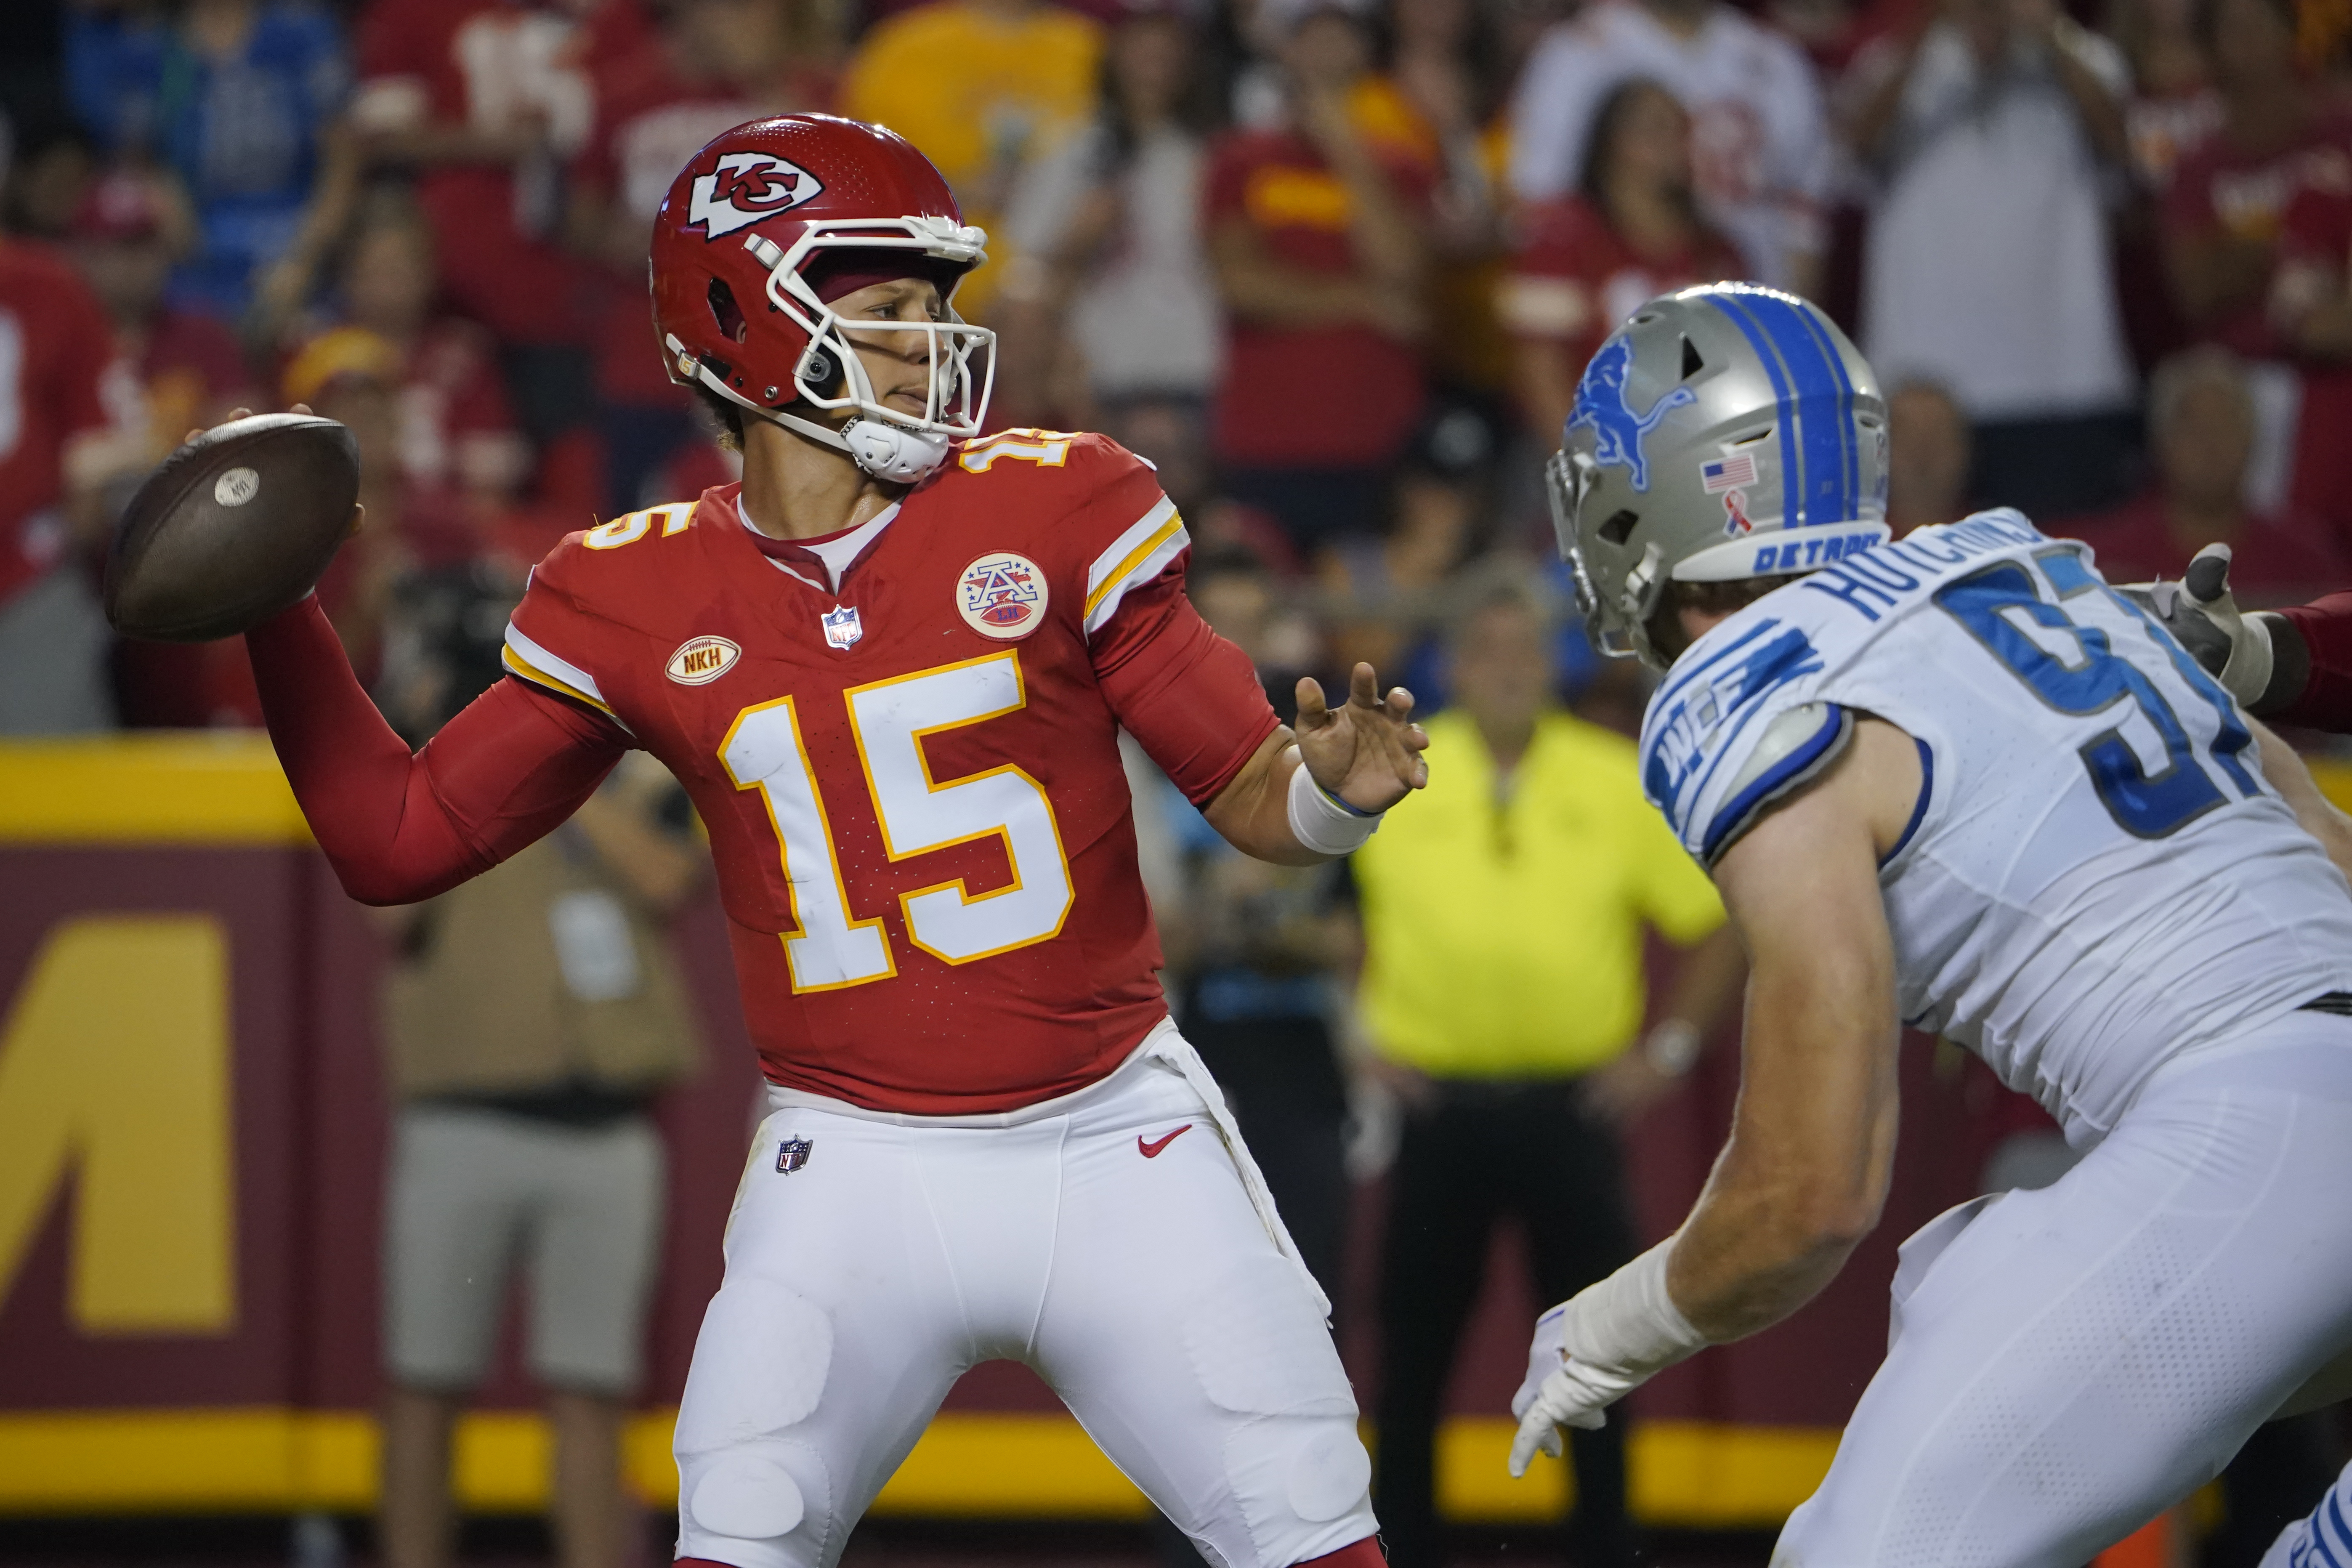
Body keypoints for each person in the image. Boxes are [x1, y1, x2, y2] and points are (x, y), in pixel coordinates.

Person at [218, 114, 1425, 1568]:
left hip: (1115, 1130)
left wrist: (1332, 795)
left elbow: (1245, 792)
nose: (932, 345)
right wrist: (276, 608)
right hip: (849, 1160)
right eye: (890, 309)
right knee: (740, 1533)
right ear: (736, 322)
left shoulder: (1061, 498)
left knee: (1311, 1532)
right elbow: (395, 837)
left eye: (935, 308)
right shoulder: (631, 590)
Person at [1512, 280, 2352, 1565]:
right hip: (2291, 1118)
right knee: (1954, 1286)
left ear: (1671, 493)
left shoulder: (1752, 688)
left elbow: (1812, 1192)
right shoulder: (2041, 570)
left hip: (2251, 1136)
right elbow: (2323, 856)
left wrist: (1624, 1320)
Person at [1352, 573, 1743, 1568]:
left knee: (1597, 1357)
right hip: (1438, 1109)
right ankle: (1401, 1552)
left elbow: (1716, 921)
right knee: (1413, 1361)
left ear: (1553, 665)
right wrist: (1351, 1029)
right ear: (1453, 668)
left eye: (1525, 649)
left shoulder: (1611, 777)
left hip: (1572, 1113)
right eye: (1486, 650)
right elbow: (1315, 909)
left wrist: (1668, 1050)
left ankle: (1608, 1553)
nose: (1508, 669)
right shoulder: (1395, 765)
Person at [371, 563, 705, 1568]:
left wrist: (561, 766)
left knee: (592, 1389)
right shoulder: (428, 779)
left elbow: (668, 876)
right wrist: (451, 745)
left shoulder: (631, 766)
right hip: (460, 1118)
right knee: (424, 1384)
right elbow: (383, 905)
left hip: (604, 1125)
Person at [1843, 0, 2139, 518]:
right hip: (1924, 385)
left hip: (2061, 382)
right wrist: (1933, 26)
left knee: (2058, 575)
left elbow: (2125, 150)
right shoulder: (1899, 59)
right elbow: (1855, 147)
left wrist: (2044, 31)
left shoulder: (2084, 57)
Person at [571, 0, 832, 513]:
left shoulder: (804, 98)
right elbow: (582, 224)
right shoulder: (624, 97)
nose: (752, 23)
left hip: (770, 358)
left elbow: (832, 207)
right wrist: (644, 243)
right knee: (643, 534)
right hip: (648, 362)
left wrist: (767, 90)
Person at [1204, 0, 1432, 552]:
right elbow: (1242, 284)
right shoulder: (1240, 160)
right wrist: (1364, 301)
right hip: (1267, 435)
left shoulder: (1403, 163)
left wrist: (1346, 148)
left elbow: (1403, 269)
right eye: (1311, 35)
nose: (1326, 50)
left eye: (1340, 35)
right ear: (1284, 50)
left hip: (1377, 434)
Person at [995, 0, 1223, 428]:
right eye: (1142, 53)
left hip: (1193, 356)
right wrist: (1078, 239)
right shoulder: (1073, 149)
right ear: (1115, 60)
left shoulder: (1206, 154)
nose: (1153, 69)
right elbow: (1029, 266)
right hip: (1099, 359)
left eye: (1167, 57)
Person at [1505, 0, 1830, 297]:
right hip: (1619, 304)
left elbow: (1803, 219)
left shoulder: (1773, 56)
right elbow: (1542, 204)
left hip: (1752, 304)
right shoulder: (1576, 52)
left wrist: (1796, 327)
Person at [65, 0, 358, 326]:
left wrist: (305, 259)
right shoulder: (153, 49)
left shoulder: (302, 32)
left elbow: (343, 156)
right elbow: (138, 159)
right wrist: (168, 204)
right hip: (198, 244)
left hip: (300, 232)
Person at [1498, 77, 1746, 445]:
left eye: (1681, 130)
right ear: (1612, 141)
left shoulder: (1715, 251)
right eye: (1655, 129)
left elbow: (1737, 368)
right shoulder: (1561, 239)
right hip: (1595, 452)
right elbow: (1540, 366)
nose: (1674, 144)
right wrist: (1588, 471)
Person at [838, 0, 1103, 320]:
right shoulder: (903, 47)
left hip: (1070, 306)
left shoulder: (1088, 47)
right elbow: (855, 175)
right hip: (929, 295)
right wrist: (958, 191)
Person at [0, 189, 143, 734]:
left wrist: (87, 484)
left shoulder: (47, 286)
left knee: (55, 798)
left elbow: (121, 448)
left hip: (29, 583)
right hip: (30, 574)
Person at [2054, 345, 2339, 598]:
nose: (2209, 446)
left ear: (2252, 440)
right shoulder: (2103, 562)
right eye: (2192, 428)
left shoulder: (2307, 561)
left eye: (2225, 427)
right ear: (2160, 442)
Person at [1883, 380, 1971, 535]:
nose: (1922, 452)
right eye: (1908, 435)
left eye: (1938, 435)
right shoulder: (1854, 548)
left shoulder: (1998, 543)